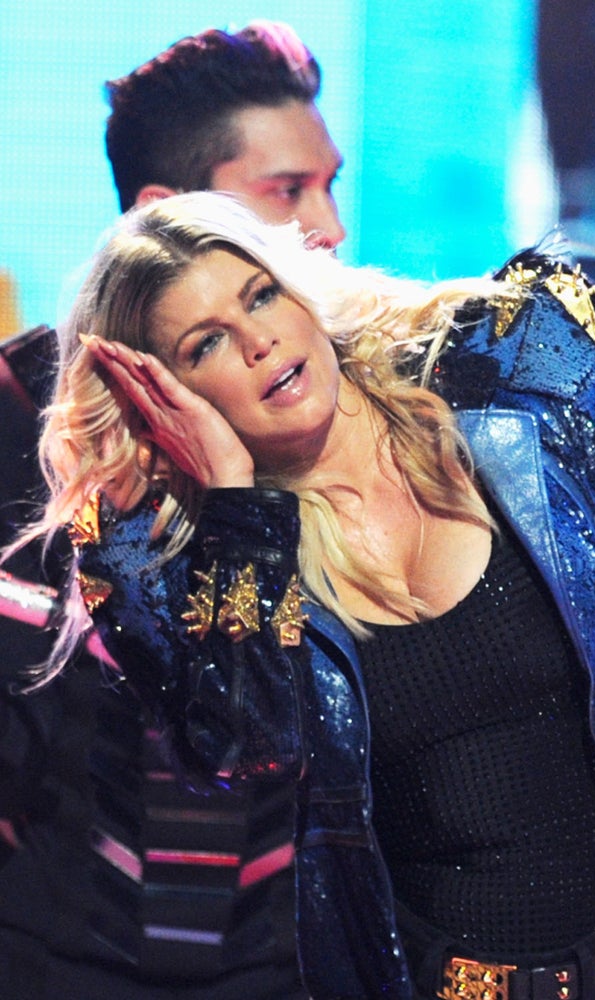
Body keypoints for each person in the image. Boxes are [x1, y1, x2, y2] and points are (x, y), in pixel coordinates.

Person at [11, 191, 595, 999]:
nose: (260, 341)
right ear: (161, 400)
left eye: (260, 295)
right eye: (207, 343)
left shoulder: (519, 362)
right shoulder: (201, 566)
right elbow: (254, 749)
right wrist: (238, 504)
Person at [0, 21, 342, 997]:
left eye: (330, 184)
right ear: (164, 213)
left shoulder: (336, 427)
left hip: (291, 967)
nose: (329, 225)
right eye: (287, 191)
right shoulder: (18, 419)